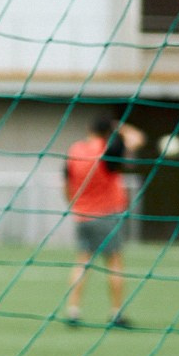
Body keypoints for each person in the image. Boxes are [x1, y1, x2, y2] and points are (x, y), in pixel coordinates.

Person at [63, 114, 144, 328]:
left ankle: (73, 311)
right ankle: (116, 312)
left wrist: (74, 203)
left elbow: (66, 182)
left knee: (82, 262)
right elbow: (138, 139)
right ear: (108, 131)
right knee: (114, 263)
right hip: (107, 214)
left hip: (82, 215)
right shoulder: (109, 150)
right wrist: (120, 127)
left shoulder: (75, 150)